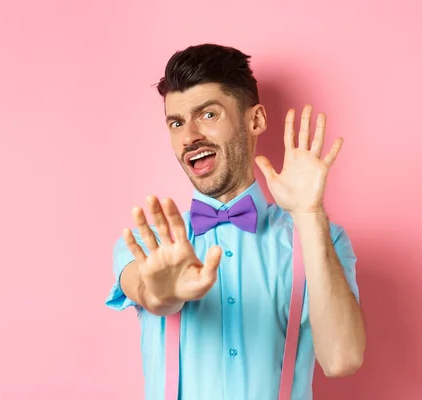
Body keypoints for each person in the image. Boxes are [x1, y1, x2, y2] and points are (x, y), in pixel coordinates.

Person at [105, 43, 366, 400]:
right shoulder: (147, 242)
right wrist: (162, 293)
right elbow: (149, 292)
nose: (189, 136)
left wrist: (309, 215)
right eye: (177, 123)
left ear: (254, 120)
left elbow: (341, 359)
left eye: (208, 115)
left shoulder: (322, 239)